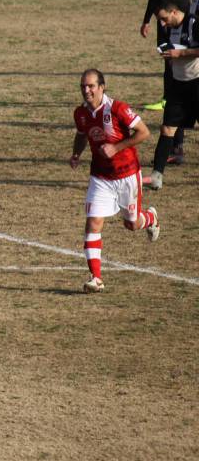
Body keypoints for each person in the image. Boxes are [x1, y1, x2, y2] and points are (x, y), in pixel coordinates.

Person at [71, 69, 160, 293]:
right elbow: (82, 134)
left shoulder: (118, 109)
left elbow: (143, 132)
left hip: (127, 176)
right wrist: (76, 154)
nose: (86, 90)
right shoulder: (80, 113)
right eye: (83, 86)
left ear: (102, 87)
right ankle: (96, 278)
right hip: (100, 177)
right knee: (93, 222)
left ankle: (150, 218)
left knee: (131, 224)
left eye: (91, 86)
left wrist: (117, 147)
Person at [149, 0, 199, 189]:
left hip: (197, 83)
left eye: (163, 18)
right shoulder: (171, 30)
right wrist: (169, 54)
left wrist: (181, 54)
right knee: (167, 129)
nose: (163, 24)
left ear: (174, 11)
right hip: (178, 86)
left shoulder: (194, 23)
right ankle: (157, 175)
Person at [140, 0, 187, 129]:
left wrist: (147, 18)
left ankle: (171, 99)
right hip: (180, 4)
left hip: (169, 9)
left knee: (170, 54)